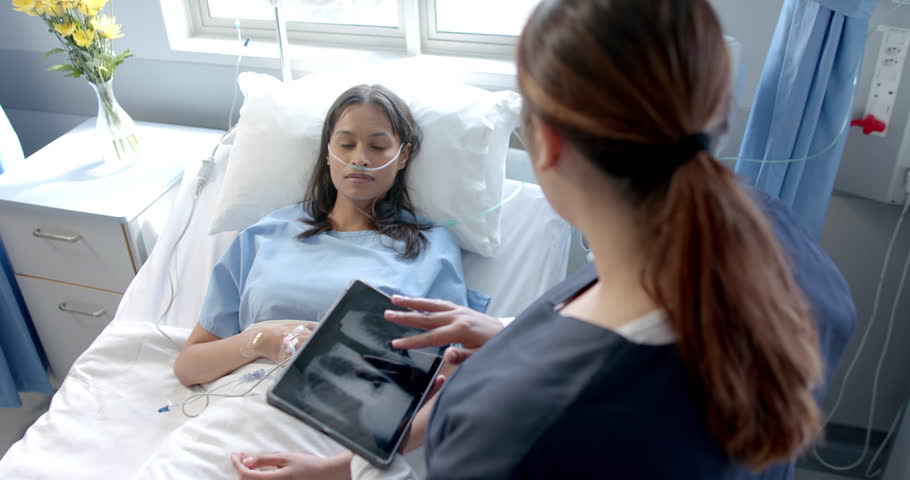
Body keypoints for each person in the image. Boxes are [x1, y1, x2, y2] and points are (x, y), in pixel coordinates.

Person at [231, 0, 856, 478]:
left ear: (545, 144)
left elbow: (530, 421)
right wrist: (510, 335)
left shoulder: (516, 419)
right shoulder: (781, 244)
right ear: (714, 109)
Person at [174, 84, 486, 387]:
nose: (360, 158)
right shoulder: (265, 235)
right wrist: (260, 341)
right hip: (241, 406)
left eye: (378, 146)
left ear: (403, 156)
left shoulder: (430, 248)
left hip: (347, 419)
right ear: (327, 152)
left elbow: (448, 372)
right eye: (346, 144)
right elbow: (189, 366)